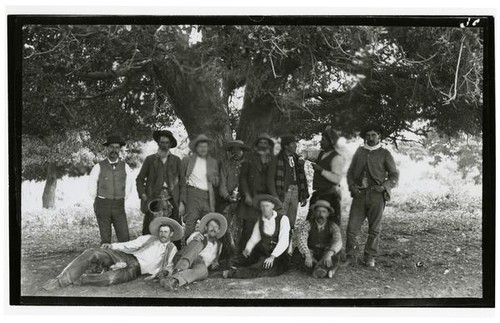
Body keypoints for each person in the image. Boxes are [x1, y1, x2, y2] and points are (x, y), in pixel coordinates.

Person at [42, 217, 183, 291]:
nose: (162, 234)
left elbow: (169, 266)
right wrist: (113, 246)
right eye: (161, 231)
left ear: (171, 234)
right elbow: (131, 244)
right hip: (127, 257)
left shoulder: (172, 248)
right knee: (92, 253)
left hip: (135, 270)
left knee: (109, 279)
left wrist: (164, 273)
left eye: (166, 232)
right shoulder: (149, 238)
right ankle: (61, 281)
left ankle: (79, 279)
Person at [344, 123, 399, 267]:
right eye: (368, 135)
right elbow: (350, 173)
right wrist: (352, 187)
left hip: (376, 196)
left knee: (374, 229)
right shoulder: (360, 152)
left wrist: (384, 187)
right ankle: (350, 256)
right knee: (352, 228)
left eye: (374, 135)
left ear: (379, 136)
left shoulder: (385, 153)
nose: (371, 138)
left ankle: (370, 257)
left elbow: (394, 175)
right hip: (359, 195)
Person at [136, 130, 185, 246]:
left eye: (167, 143)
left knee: (175, 231)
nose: (164, 145)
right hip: (154, 199)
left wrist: (182, 201)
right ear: (158, 143)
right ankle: (148, 255)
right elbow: (140, 179)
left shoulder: (177, 160)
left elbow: (182, 181)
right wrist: (143, 194)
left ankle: (173, 256)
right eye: (162, 142)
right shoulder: (150, 159)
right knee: (149, 231)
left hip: (172, 199)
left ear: (170, 144)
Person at [223, 194, 290, 279]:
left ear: (273, 206)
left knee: (261, 269)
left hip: (278, 256)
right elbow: (254, 239)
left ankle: (233, 273)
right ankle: (235, 267)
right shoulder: (261, 221)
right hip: (263, 253)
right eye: (262, 206)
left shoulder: (283, 219)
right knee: (242, 259)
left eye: (267, 206)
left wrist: (273, 256)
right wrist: (247, 251)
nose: (265, 209)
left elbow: (284, 241)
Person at [160, 213, 227, 291]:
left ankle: (174, 280)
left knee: (204, 270)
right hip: (184, 258)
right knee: (199, 242)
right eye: (211, 226)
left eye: (216, 227)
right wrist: (196, 239)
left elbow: (214, 262)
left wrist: (215, 263)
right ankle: (179, 269)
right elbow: (190, 248)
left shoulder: (219, 245)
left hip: (199, 265)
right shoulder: (198, 235)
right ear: (206, 227)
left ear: (218, 230)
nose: (213, 229)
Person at [88, 134, 134, 244]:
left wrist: (122, 197)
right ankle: (106, 259)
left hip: (119, 205)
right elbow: (92, 185)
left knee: (124, 237)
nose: (114, 150)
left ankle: (123, 259)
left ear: (120, 149)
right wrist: (99, 199)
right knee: (105, 238)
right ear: (107, 148)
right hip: (103, 204)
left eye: (117, 147)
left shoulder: (125, 166)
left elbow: (129, 184)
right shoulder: (98, 166)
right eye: (112, 147)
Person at [268, 135, 309, 254]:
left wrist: (303, 195)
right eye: (292, 144)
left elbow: (302, 178)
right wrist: (274, 196)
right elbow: (270, 179)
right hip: (282, 192)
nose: (295, 146)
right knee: (280, 220)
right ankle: (276, 250)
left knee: (291, 222)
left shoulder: (297, 158)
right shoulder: (277, 158)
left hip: (295, 191)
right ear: (286, 146)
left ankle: (287, 250)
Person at [302, 126, 345, 227]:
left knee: (330, 224)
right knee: (313, 222)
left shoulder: (337, 157)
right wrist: (302, 156)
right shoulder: (321, 154)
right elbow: (307, 153)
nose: (321, 142)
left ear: (331, 142)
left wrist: (320, 170)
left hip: (331, 194)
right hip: (319, 193)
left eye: (324, 140)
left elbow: (337, 179)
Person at [239, 133, 275, 249]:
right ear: (257, 144)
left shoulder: (272, 159)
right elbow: (243, 178)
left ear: (269, 145)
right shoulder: (249, 157)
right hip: (252, 196)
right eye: (261, 142)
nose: (263, 145)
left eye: (265, 143)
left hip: (266, 197)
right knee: (249, 226)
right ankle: (244, 255)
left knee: (264, 226)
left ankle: (259, 255)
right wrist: (247, 195)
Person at [217, 140, 250, 264]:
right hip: (227, 200)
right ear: (230, 152)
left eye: (238, 150)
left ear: (242, 151)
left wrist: (244, 196)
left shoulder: (247, 165)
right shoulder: (225, 164)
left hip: (244, 201)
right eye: (233, 150)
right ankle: (228, 254)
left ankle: (242, 255)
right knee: (225, 226)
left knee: (243, 227)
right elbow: (222, 184)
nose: (236, 153)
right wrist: (227, 197)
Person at [182, 134, 220, 240]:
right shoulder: (187, 160)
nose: (203, 149)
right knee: (190, 222)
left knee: (209, 222)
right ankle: (185, 252)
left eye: (205, 146)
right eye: (200, 146)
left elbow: (216, 183)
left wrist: (214, 178)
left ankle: (203, 252)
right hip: (192, 193)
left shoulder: (212, 162)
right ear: (196, 148)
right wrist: (182, 201)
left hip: (208, 196)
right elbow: (180, 180)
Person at [292, 200, 342, 278]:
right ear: (314, 212)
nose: (320, 214)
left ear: (328, 214)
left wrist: (329, 253)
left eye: (323, 212)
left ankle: (319, 270)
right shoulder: (307, 224)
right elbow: (301, 239)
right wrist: (307, 254)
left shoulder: (333, 226)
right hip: (311, 251)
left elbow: (338, 241)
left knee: (336, 255)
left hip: (325, 252)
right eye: (318, 211)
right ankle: (325, 270)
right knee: (298, 254)